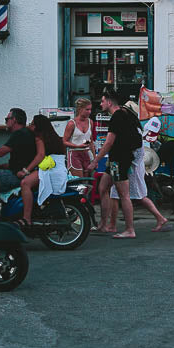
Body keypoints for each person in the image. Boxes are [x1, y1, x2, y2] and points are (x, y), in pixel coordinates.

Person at [87, 88, 143, 238]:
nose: (101, 104)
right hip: (116, 159)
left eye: (103, 101)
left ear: (110, 102)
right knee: (103, 187)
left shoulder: (117, 117)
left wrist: (95, 161)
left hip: (119, 159)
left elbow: (109, 142)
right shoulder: (124, 114)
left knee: (123, 194)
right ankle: (104, 225)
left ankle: (130, 229)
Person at [18, 115, 66, 227]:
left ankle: (26, 219)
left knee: (25, 183)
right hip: (58, 170)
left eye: (32, 124)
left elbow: (40, 156)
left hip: (49, 169)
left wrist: (26, 170)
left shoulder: (39, 138)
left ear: (37, 127)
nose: (30, 126)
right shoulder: (54, 137)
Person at [63, 99, 94, 177]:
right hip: (75, 153)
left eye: (90, 109)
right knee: (79, 182)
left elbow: (91, 141)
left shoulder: (90, 122)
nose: (89, 112)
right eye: (87, 109)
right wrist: (77, 146)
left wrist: (94, 159)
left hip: (87, 153)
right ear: (80, 109)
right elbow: (64, 141)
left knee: (87, 182)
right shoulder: (71, 123)